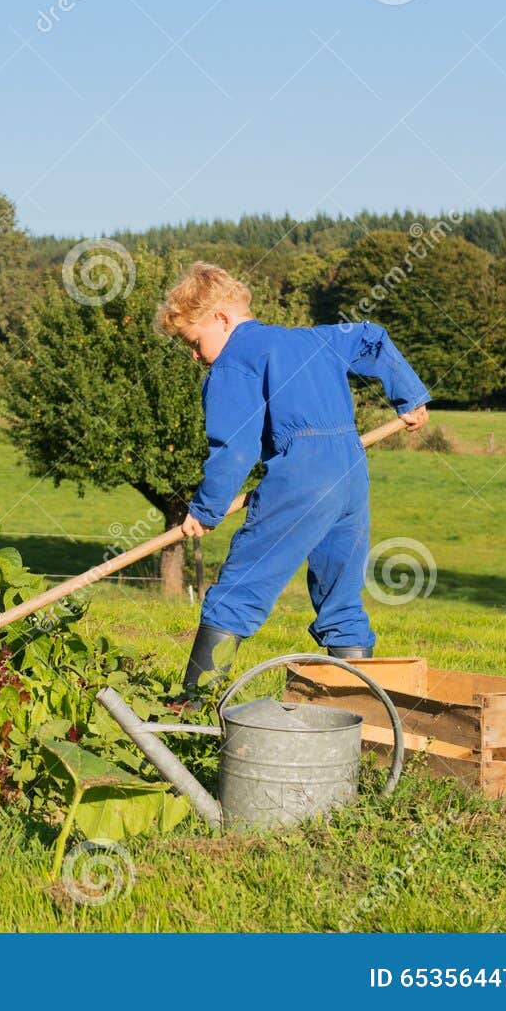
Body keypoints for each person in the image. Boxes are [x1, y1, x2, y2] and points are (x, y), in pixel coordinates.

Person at [155, 263, 431, 700]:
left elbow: (234, 447)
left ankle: (193, 706)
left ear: (222, 320)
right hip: (350, 473)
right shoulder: (312, 339)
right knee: (342, 599)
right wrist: (409, 396)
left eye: (194, 341)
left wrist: (206, 510)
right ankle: (361, 714)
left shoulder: (235, 361)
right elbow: (373, 336)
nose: (194, 355)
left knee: (240, 586)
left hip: (302, 474)